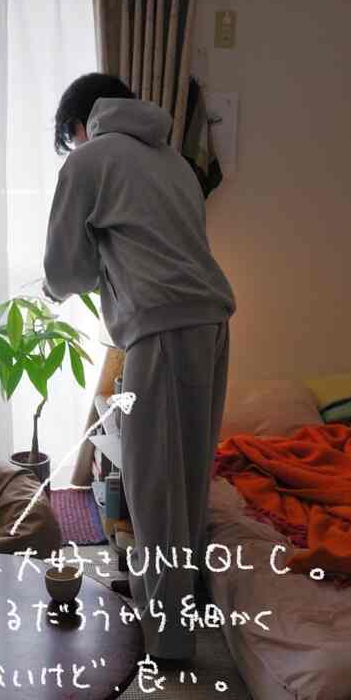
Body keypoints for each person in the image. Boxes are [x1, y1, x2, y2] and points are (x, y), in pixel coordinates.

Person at [42, 72, 236, 663]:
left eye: (71, 136)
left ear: (81, 125)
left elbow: (64, 272)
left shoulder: (88, 160)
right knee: (188, 482)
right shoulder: (176, 164)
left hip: (159, 329)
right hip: (212, 323)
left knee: (152, 490)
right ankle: (183, 617)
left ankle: (168, 647)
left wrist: (58, 288)